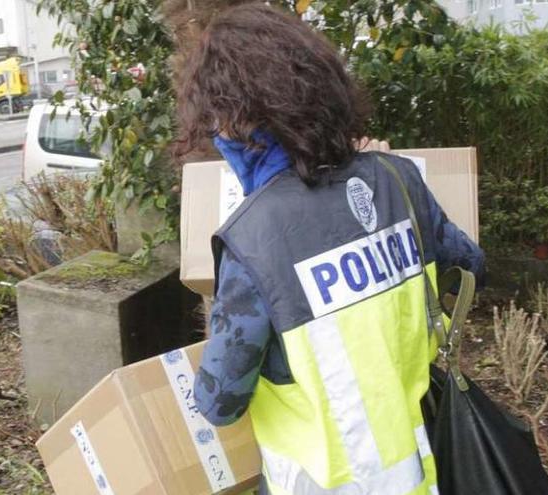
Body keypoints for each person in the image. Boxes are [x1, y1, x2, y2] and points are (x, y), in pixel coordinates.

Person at [174, 4, 485, 495]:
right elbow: (468, 265)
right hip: (421, 469)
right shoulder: (397, 179)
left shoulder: (253, 238)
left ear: (237, 119)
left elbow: (221, 401)